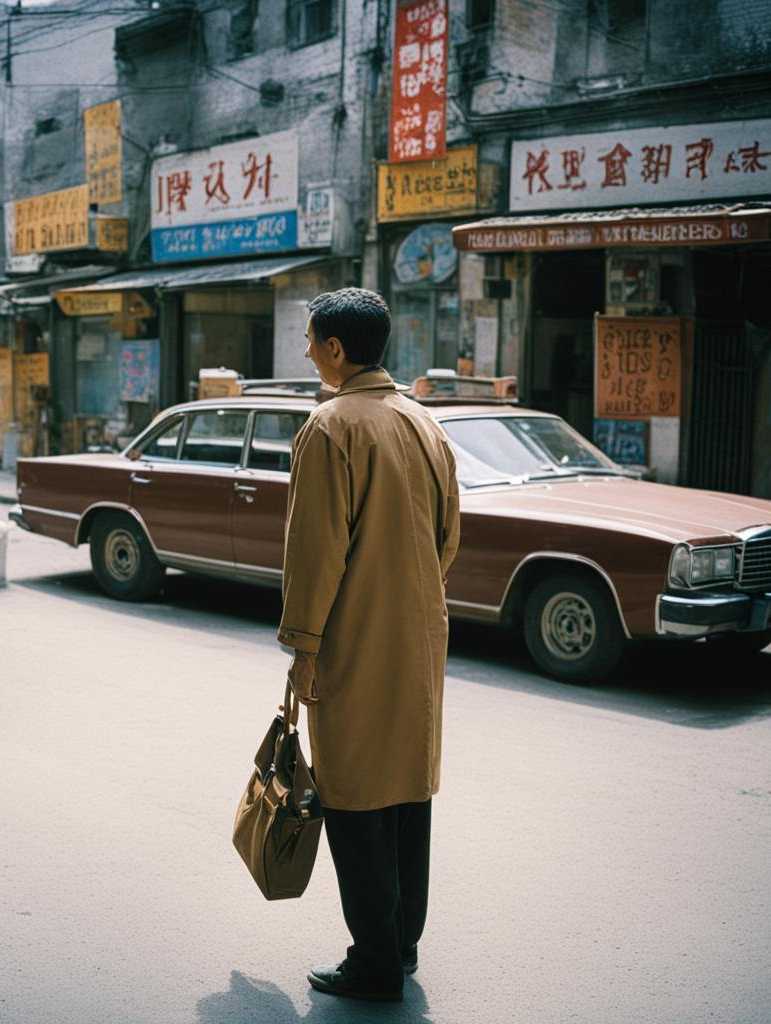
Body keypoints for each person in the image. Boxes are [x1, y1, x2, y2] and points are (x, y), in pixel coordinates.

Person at [278, 288, 460, 1003]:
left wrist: (304, 647)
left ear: (335, 349)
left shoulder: (330, 427)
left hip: (353, 639)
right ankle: (401, 946)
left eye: (310, 340)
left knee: (354, 799)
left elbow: (315, 555)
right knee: (409, 795)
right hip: (419, 636)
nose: (306, 352)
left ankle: (374, 962)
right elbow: (447, 540)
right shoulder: (422, 421)